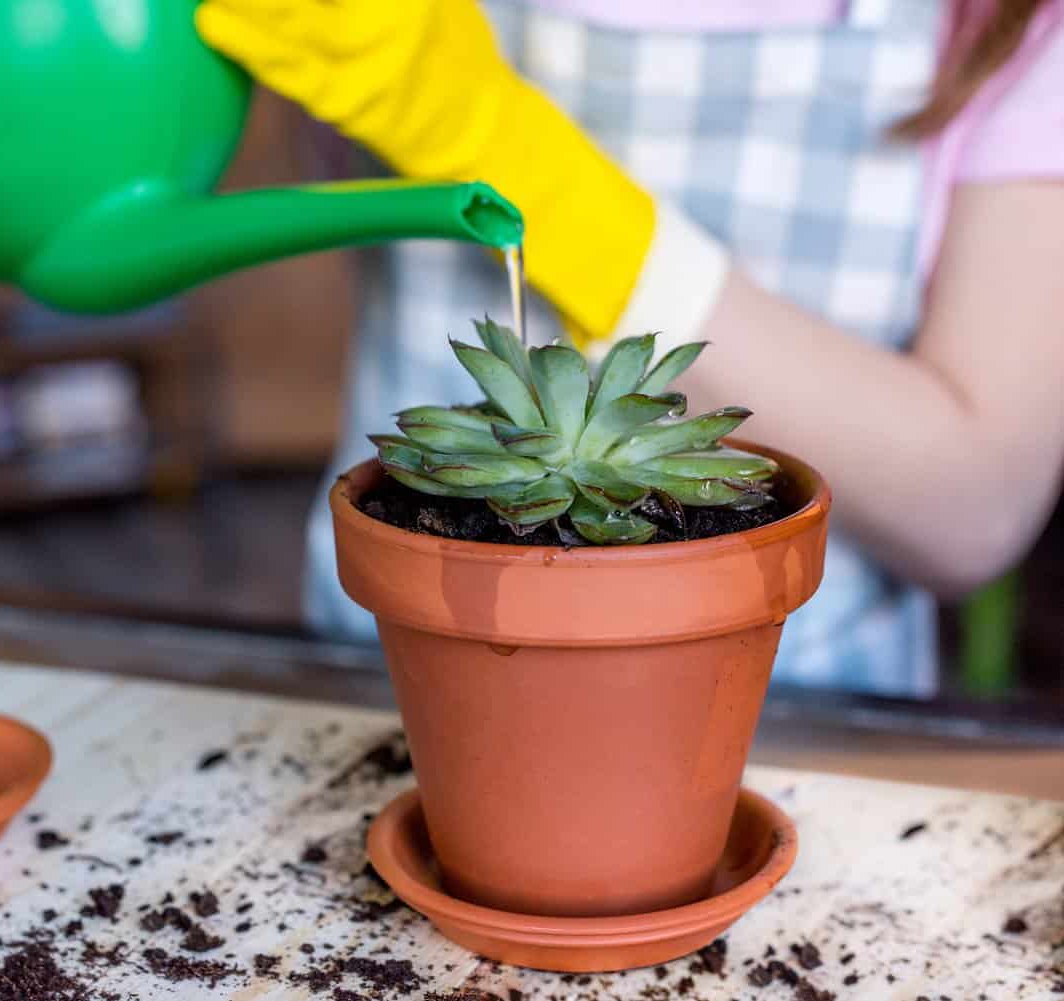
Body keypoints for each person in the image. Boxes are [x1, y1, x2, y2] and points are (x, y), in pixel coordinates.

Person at [194, 0, 1064, 697]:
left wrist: (530, 173)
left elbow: (978, 502)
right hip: (379, 684)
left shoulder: (1008, 24)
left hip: (809, 725)